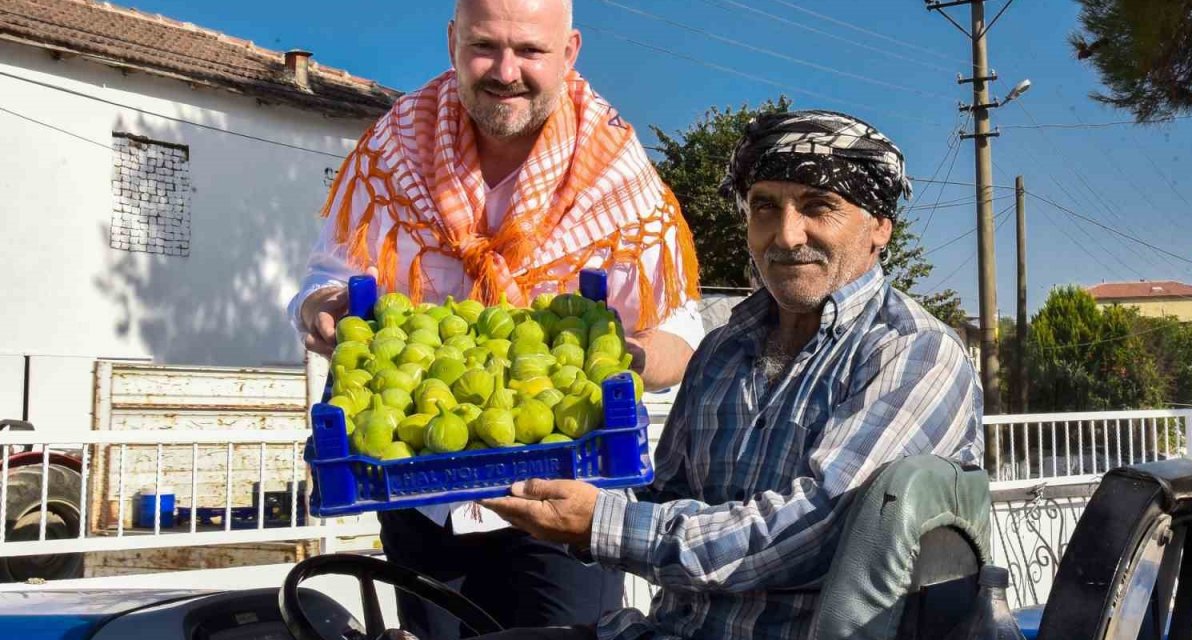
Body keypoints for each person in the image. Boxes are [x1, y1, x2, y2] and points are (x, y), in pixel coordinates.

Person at [478, 110, 984, 640]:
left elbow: (814, 531)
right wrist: (541, 477)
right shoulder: (721, 351)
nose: (787, 236)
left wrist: (602, 525)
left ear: (880, 226)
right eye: (765, 207)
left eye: (819, 207)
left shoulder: (914, 353)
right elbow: (661, 496)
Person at [286, 1, 705, 637]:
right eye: (485, 46)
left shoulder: (615, 171)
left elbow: (679, 331)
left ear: (569, 53)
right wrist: (319, 310)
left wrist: (632, 355)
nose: (505, 70)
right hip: (420, 491)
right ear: (453, 41)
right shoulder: (395, 148)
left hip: (564, 497)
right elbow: (327, 278)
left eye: (530, 51)